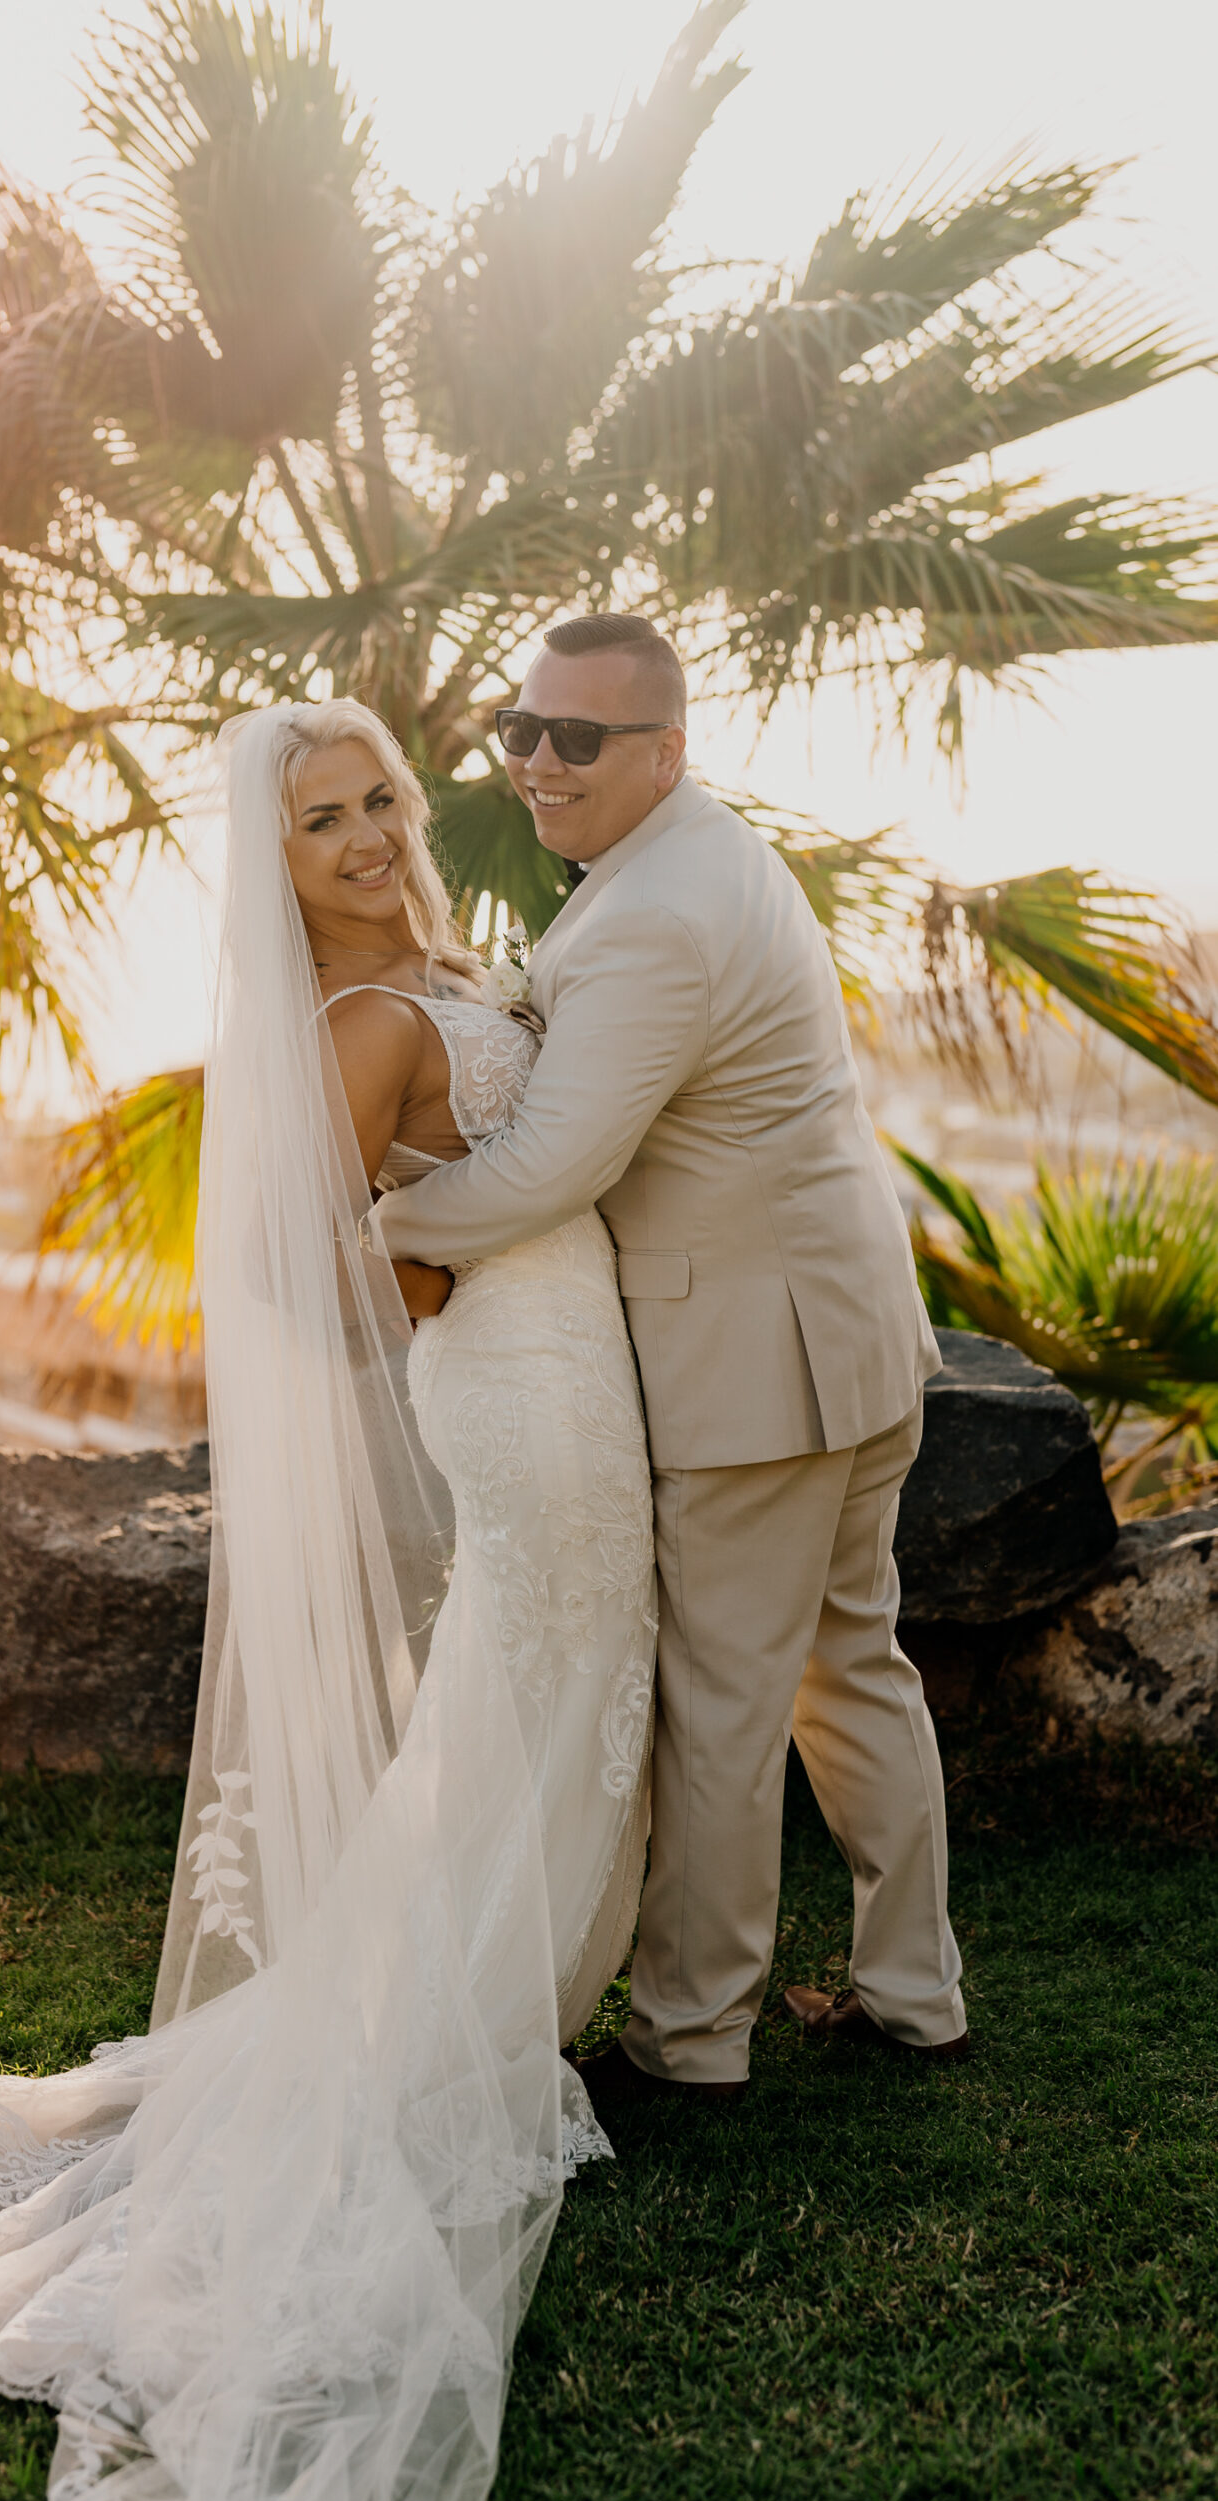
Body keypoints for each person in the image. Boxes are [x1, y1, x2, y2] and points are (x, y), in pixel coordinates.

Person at [0, 698, 658, 2501]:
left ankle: (522, 1987)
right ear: (272, 864)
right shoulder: (359, 1023)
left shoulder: (455, 966)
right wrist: (452, 1271)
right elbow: (290, 1265)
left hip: (588, 1383)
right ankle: (465, 2021)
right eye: (319, 819)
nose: (360, 836)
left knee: (556, 1690)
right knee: (541, 1680)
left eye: (377, 800)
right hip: (513, 1391)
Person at [370, 611, 968, 2111]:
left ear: (666, 750)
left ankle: (692, 2039)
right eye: (524, 729)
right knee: (853, 1666)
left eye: (582, 739)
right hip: (842, 1332)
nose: (538, 762)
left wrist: (372, 1227)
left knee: (722, 1699)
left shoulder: (647, 916)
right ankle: (915, 1990)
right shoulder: (698, 853)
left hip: (752, 1363)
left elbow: (552, 1168)